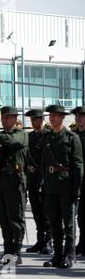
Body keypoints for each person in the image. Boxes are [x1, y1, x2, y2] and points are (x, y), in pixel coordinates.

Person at [42, 105, 83, 269]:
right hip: (51, 186)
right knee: (54, 223)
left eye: (55, 116)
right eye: (51, 115)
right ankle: (57, 254)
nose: (52, 118)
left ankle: (69, 254)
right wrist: (42, 185)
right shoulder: (47, 138)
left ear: (62, 117)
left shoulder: (72, 138)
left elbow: (78, 166)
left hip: (66, 186)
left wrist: (76, 189)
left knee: (68, 224)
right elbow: (44, 164)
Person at [0, 106, 28, 266]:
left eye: (8, 117)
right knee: (3, 218)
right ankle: (7, 251)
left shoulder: (21, 135)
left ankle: (17, 252)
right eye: (3, 117)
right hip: (0, 182)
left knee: (16, 218)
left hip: (15, 182)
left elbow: (12, 142)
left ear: (14, 119)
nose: (5, 120)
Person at [24, 109, 52, 254]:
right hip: (32, 179)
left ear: (42, 120)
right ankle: (40, 240)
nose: (35, 122)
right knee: (36, 211)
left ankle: (48, 241)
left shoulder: (48, 136)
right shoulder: (29, 137)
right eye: (33, 120)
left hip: (46, 179)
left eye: (37, 119)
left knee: (46, 212)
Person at [71, 106, 85, 257]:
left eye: (81, 116)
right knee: (79, 215)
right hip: (75, 179)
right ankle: (81, 243)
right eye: (77, 116)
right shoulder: (73, 136)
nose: (78, 118)